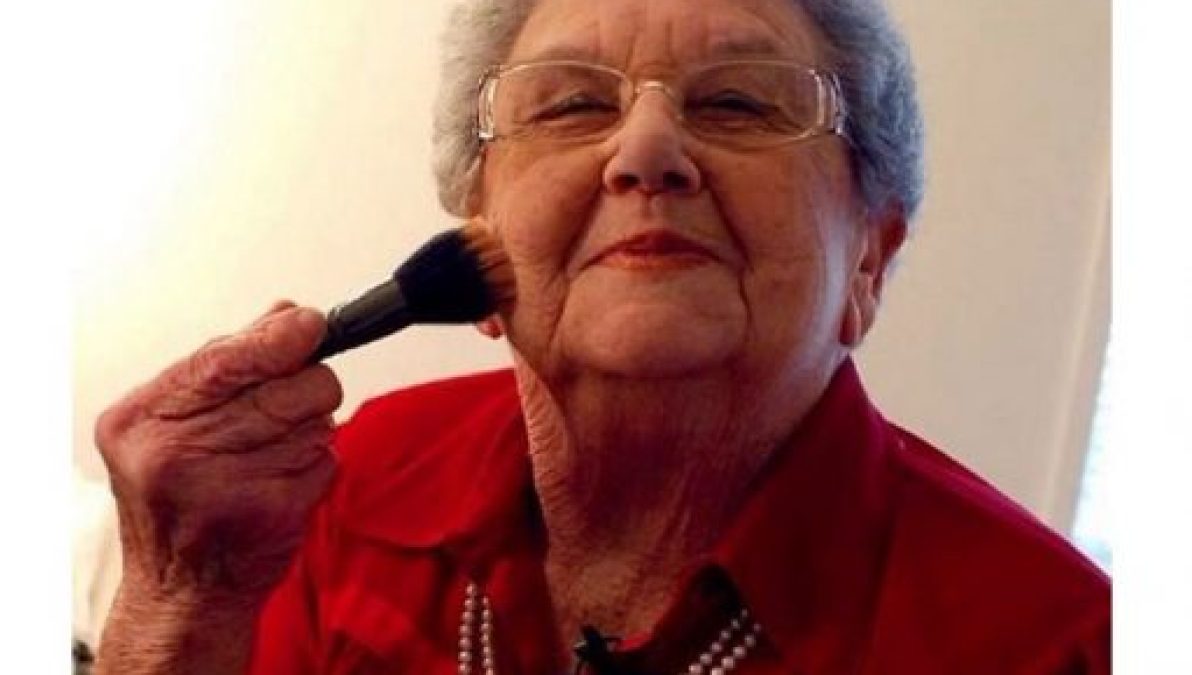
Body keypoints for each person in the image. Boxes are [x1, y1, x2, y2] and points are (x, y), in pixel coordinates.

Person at [92, 0, 1110, 673]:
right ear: (479, 247)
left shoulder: (1062, 643)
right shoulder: (344, 488)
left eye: (739, 102)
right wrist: (180, 600)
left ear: (869, 262)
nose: (648, 148)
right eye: (572, 103)